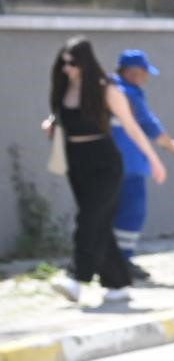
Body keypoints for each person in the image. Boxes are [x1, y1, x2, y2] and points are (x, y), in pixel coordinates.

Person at [40, 38, 157, 305]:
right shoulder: (65, 89)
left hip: (104, 162)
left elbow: (131, 126)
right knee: (99, 223)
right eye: (64, 62)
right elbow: (61, 115)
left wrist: (153, 160)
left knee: (89, 218)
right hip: (76, 161)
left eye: (71, 62)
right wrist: (51, 123)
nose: (66, 68)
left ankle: (75, 278)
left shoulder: (107, 90)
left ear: (84, 62)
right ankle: (117, 284)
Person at [107, 49, 174, 282]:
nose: (145, 78)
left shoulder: (105, 89)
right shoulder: (129, 93)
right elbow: (148, 124)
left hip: (104, 162)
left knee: (109, 212)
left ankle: (112, 260)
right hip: (128, 163)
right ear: (132, 72)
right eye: (143, 73)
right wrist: (169, 145)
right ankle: (122, 260)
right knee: (132, 212)